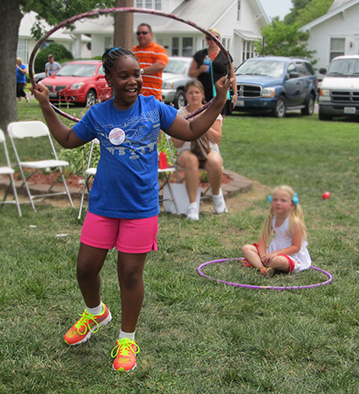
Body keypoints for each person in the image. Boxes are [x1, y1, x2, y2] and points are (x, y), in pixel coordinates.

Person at [31, 46, 231, 373]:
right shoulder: (99, 114)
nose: (133, 80)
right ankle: (96, 313)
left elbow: (193, 130)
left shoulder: (155, 109)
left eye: (136, 74)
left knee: (130, 273)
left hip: (140, 208)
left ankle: (126, 338)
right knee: (85, 268)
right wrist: (45, 106)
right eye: (124, 75)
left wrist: (219, 100)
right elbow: (68, 139)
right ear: (108, 79)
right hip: (104, 206)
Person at [170, 79, 227, 220]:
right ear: (186, 95)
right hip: (186, 150)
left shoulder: (211, 112)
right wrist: (186, 127)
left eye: (197, 92)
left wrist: (202, 124)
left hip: (209, 149)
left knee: (214, 161)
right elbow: (177, 144)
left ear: (202, 94)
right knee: (192, 161)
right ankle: (193, 205)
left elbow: (217, 139)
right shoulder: (180, 114)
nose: (194, 95)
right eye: (190, 93)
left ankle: (217, 195)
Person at [241, 185, 311, 278]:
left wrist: (274, 254)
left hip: (289, 255)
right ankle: (263, 268)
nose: (278, 203)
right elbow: (263, 239)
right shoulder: (271, 218)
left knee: (278, 261)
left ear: (292, 205)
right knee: (246, 248)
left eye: (283, 200)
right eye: (275, 200)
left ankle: (255, 263)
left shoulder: (294, 222)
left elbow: (296, 247)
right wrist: (263, 255)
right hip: (272, 252)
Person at [189, 28, 237, 113]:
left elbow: (232, 75)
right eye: (209, 38)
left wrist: (235, 93)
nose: (212, 40)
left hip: (220, 92)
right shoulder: (200, 54)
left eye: (215, 38)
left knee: (219, 120)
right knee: (203, 120)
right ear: (206, 39)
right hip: (203, 93)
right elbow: (191, 74)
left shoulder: (226, 55)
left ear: (219, 39)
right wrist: (200, 70)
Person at [132, 23, 168, 100]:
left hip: (153, 98)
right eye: (138, 33)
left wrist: (140, 71)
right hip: (135, 97)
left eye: (144, 33)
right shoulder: (133, 51)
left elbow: (160, 65)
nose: (141, 35)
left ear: (151, 34)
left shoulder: (159, 49)